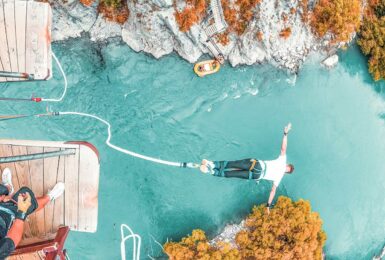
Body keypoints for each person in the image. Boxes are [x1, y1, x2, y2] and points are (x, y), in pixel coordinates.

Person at [200, 123, 294, 213]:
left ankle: (213, 164)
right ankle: (212, 172)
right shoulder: (279, 177)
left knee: (234, 164)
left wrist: (285, 134)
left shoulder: (283, 161)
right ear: (286, 172)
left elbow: (283, 148)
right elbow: (273, 191)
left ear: (287, 165)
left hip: (258, 165)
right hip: (256, 175)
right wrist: (268, 205)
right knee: (234, 174)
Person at [0, 168, 65, 259]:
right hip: (7, 216)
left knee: (3, 190)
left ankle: (8, 188)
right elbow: (11, 241)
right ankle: (49, 197)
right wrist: (22, 211)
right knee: (26, 195)